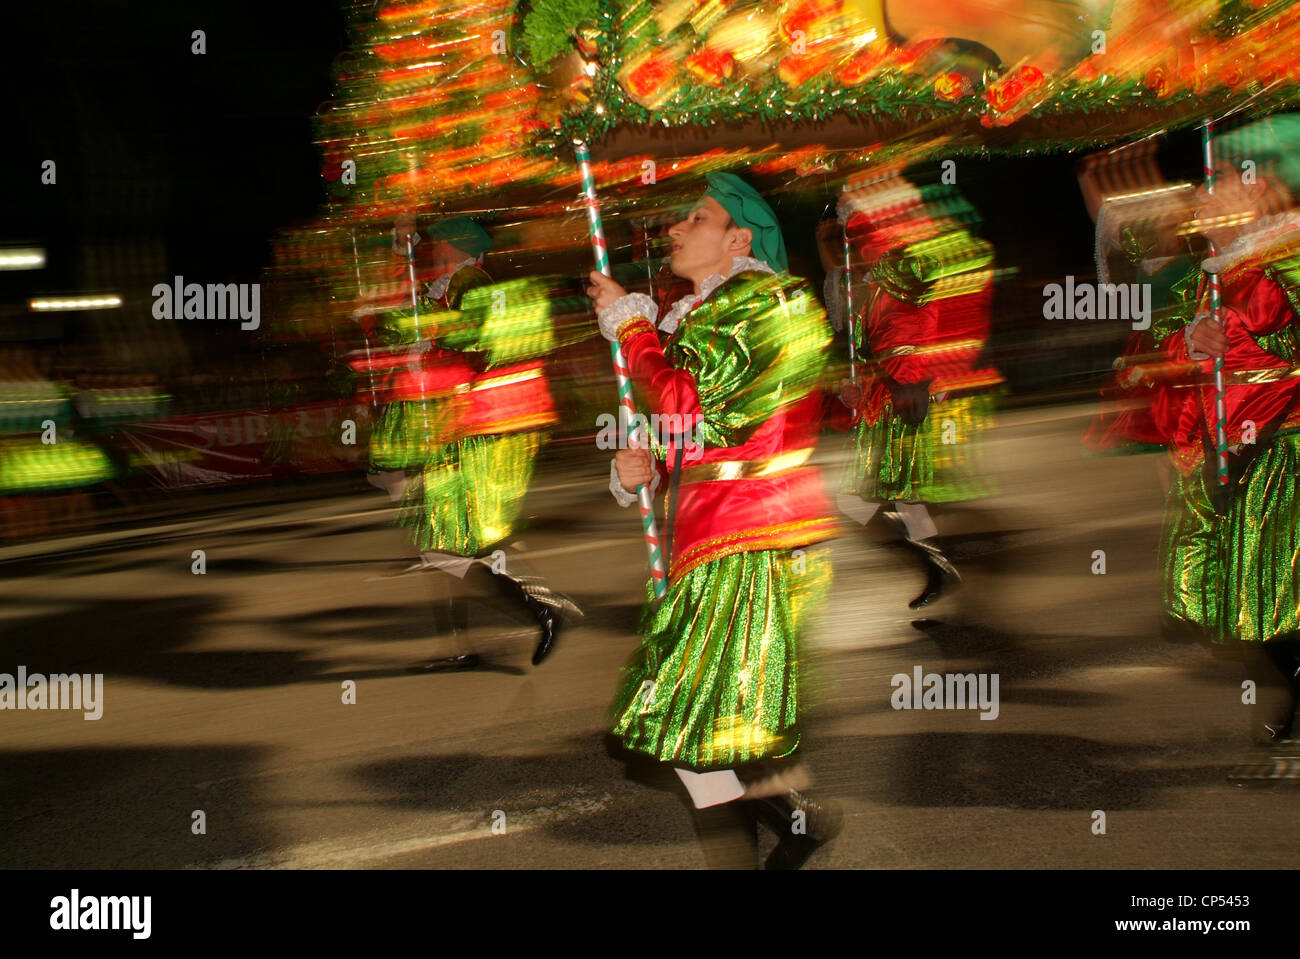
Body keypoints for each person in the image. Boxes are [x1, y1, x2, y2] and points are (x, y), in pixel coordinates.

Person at [589, 172, 842, 869]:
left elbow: (689, 409)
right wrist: (636, 468)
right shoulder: (713, 313)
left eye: (694, 218)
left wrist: (633, 327)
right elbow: (691, 432)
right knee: (704, 724)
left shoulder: (765, 302)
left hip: (749, 536)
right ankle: (793, 814)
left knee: (686, 726)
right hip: (720, 536)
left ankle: (788, 818)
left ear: (740, 239)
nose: (674, 230)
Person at [362, 215, 570, 670]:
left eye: (438, 245)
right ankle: (473, 636)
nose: (433, 251)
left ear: (455, 248)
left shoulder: (471, 280)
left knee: (451, 540)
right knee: (441, 541)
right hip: (451, 421)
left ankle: (536, 609)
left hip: (467, 422)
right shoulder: (443, 286)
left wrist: (429, 330)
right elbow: (402, 319)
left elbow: (479, 338)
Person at [1160, 115, 1300, 745]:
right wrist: (1191, 340)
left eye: (1218, 188)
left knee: (1268, 591)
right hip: (1225, 451)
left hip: (1281, 448)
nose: (1202, 203)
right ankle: (1287, 686)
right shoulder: (1211, 274)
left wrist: (1260, 327)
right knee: (1235, 598)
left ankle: (1288, 694)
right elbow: (1166, 349)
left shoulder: (1285, 260)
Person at [824, 176, 1002, 610]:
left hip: (903, 393)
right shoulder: (877, 283)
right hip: (887, 395)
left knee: (873, 498)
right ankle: (938, 567)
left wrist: (851, 212)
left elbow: (906, 323)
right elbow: (865, 338)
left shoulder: (909, 264)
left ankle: (937, 567)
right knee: (897, 498)